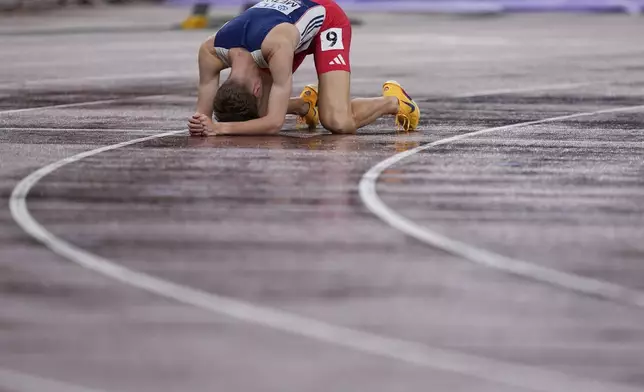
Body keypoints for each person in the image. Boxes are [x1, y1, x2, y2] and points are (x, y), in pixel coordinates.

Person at [188, 0, 420, 136]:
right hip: (281, 30)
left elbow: (273, 123)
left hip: (327, 20)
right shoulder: (209, 50)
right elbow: (202, 118)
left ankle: (394, 101)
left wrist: (220, 128)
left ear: (257, 89)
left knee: (338, 122)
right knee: (252, 113)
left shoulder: (276, 48)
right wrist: (203, 124)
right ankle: (304, 104)